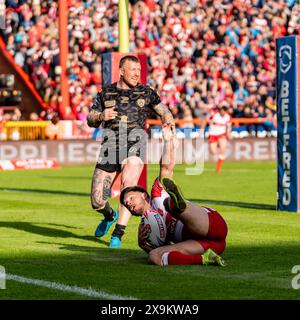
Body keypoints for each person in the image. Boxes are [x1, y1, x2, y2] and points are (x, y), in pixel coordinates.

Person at [87, 55, 175, 248]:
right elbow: (90, 118)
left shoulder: (146, 92)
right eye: (132, 69)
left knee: (129, 187)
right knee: (97, 200)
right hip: (110, 147)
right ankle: (110, 216)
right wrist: (101, 115)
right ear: (121, 71)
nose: (137, 73)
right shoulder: (106, 92)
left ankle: (118, 234)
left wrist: (168, 120)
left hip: (135, 144)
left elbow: (164, 111)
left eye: (138, 69)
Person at [120, 124, 228, 266]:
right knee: (154, 257)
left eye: (131, 198)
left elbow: (166, 166)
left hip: (210, 225)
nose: (130, 204)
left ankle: (178, 205)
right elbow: (160, 250)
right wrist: (145, 245)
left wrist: (167, 141)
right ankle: (206, 259)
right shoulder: (145, 228)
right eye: (128, 205)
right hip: (202, 245)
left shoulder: (157, 194)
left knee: (168, 204)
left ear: (143, 195)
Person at [207, 105, 232, 172]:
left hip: (222, 134)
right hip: (213, 134)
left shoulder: (228, 117)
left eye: (224, 111)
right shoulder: (214, 115)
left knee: (222, 150)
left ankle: (218, 169)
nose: (223, 112)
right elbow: (207, 120)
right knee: (213, 152)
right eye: (222, 111)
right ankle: (217, 144)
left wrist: (229, 134)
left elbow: (228, 126)